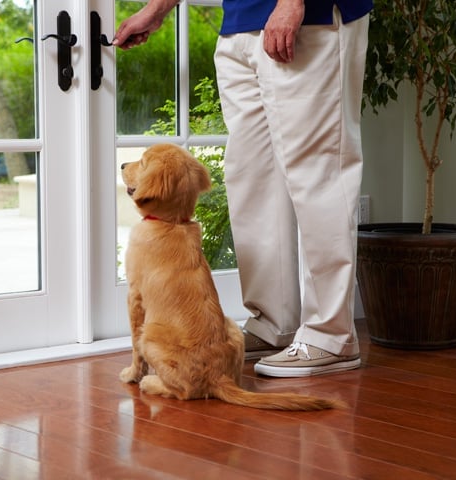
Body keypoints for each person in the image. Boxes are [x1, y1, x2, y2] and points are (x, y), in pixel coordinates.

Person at [113, 0, 374, 377]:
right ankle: (274, 323)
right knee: (253, 179)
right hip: (240, 23)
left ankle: (331, 336)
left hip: (309, 18)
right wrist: (157, 9)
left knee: (318, 173)